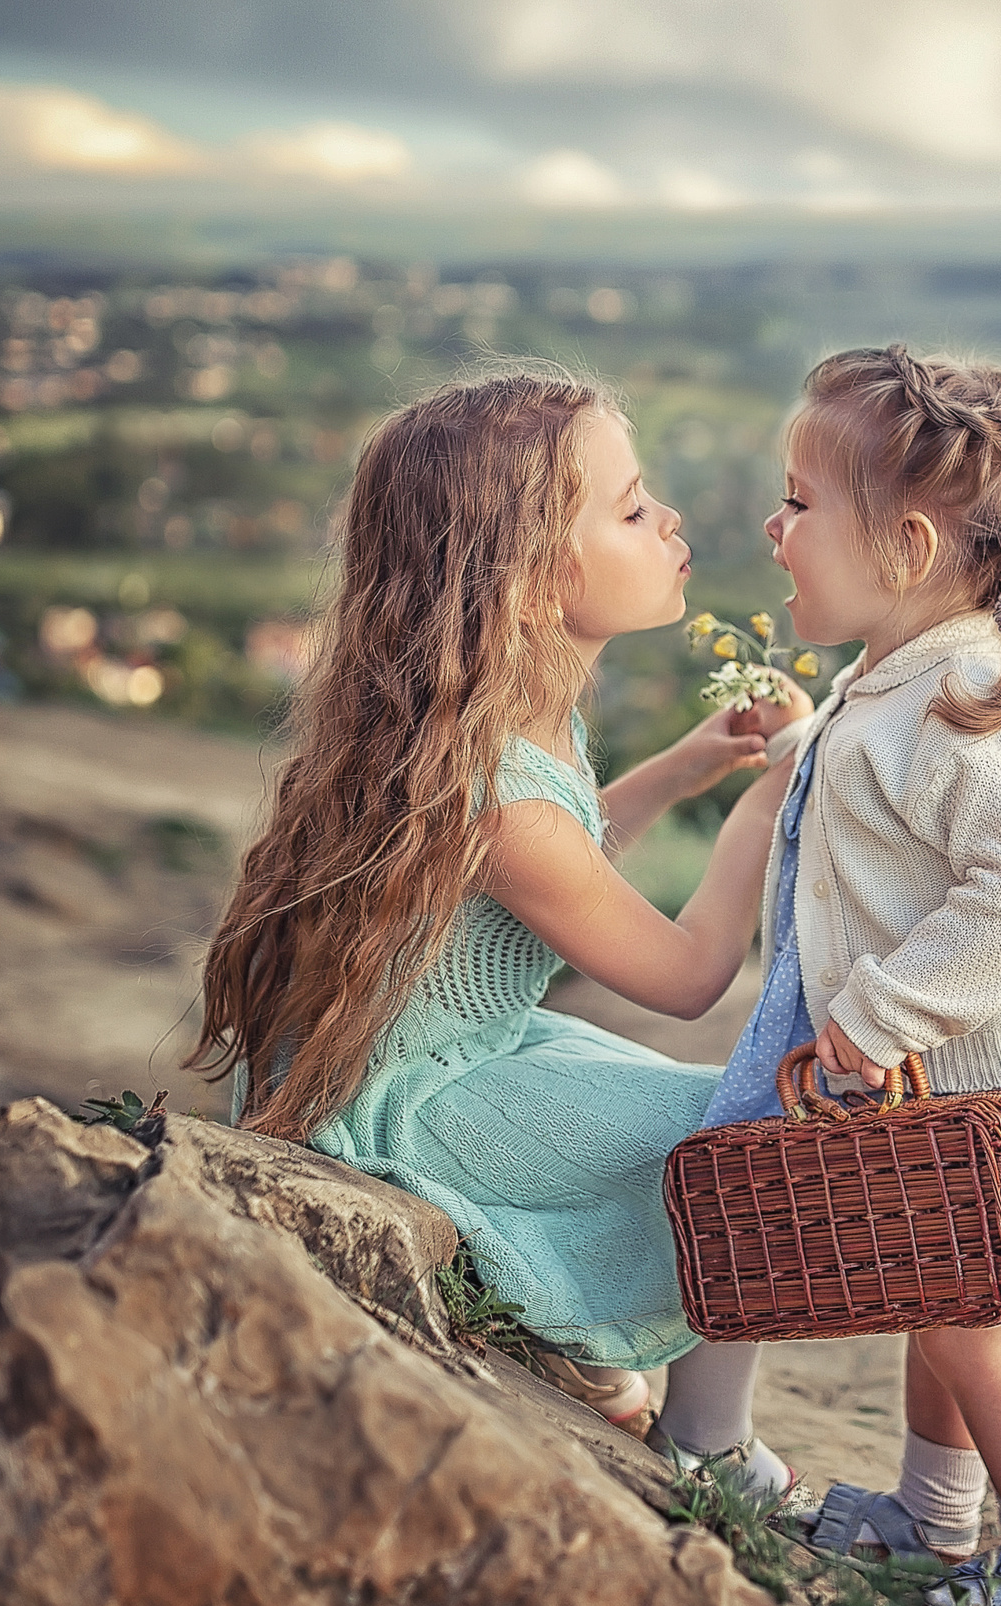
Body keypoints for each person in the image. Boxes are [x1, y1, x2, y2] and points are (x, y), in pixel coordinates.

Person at [192, 363, 812, 1503]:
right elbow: (682, 979)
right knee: (753, 1132)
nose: (668, 521)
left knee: (693, 1111)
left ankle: (571, 1346)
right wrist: (769, 811)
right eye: (630, 510)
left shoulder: (502, 723)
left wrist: (679, 771)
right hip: (412, 1104)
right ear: (529, 582)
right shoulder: (501, 796)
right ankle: (708, 1444)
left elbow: (558, 864)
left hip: (456, 1061)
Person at [704, 345, 1001, 1606]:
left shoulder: (973, 701)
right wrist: (802, 751)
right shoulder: (906, 669)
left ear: (906, 546)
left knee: (974, 1340)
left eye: (798, 500)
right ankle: (932, 1515)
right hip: (957, 1093)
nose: (772, 526)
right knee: (937, 1307)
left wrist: (884, 1010)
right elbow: (883, 805)